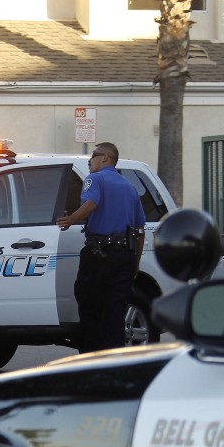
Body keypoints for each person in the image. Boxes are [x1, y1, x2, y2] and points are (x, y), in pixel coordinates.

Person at [57, 142, 145, 352]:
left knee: (90, 309)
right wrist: (136, 262)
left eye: (94, 156)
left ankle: (90, 361)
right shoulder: (130, 187)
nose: (90, 160)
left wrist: (71, 220)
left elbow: (91, 204)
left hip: (99, 256)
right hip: (125, 256)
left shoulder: (95, 179)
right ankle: (113, 362)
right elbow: (140, 229)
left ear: (105, 158)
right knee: (116, 312)